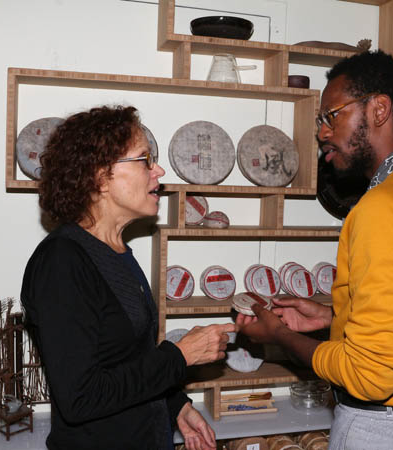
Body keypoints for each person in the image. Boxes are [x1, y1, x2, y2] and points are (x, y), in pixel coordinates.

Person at [237, 50, 393, 449]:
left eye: (332, 115)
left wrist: (279, 336)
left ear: (379, 109)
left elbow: (372, 374)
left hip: (390, 433)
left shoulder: (380, 208)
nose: (322, 133)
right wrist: (334, 317)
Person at [21, 105, 236, 450]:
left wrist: (175, 406)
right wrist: (179, 356)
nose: (159, 171)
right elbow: (81, 397)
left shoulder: (117, 250)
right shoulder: (61, 263)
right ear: (99, 176)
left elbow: (127, 360)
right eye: (144, 160)